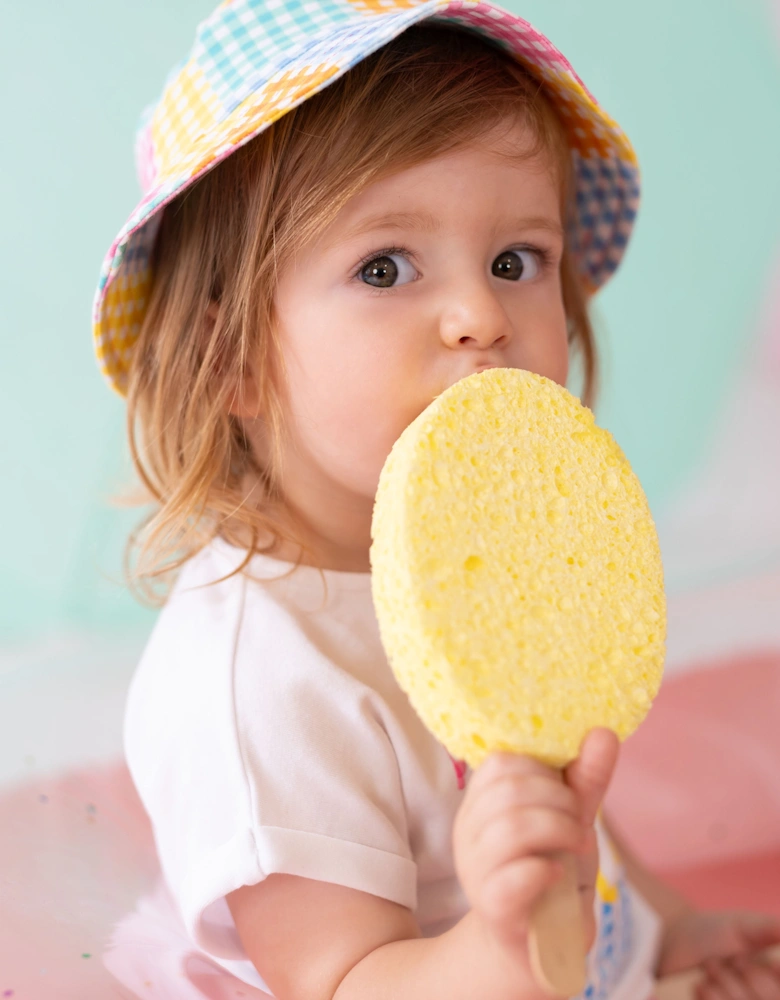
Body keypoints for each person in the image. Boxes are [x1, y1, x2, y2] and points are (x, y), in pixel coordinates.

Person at [93, 2, 780, 997]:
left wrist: (670, 927)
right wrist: (498, 952)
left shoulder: (496, 555)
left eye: (514, 260)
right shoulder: (259, 682)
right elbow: (341, 980)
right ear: (227, 357)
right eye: (385, 267)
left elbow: (560, 789)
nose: (481, 316)